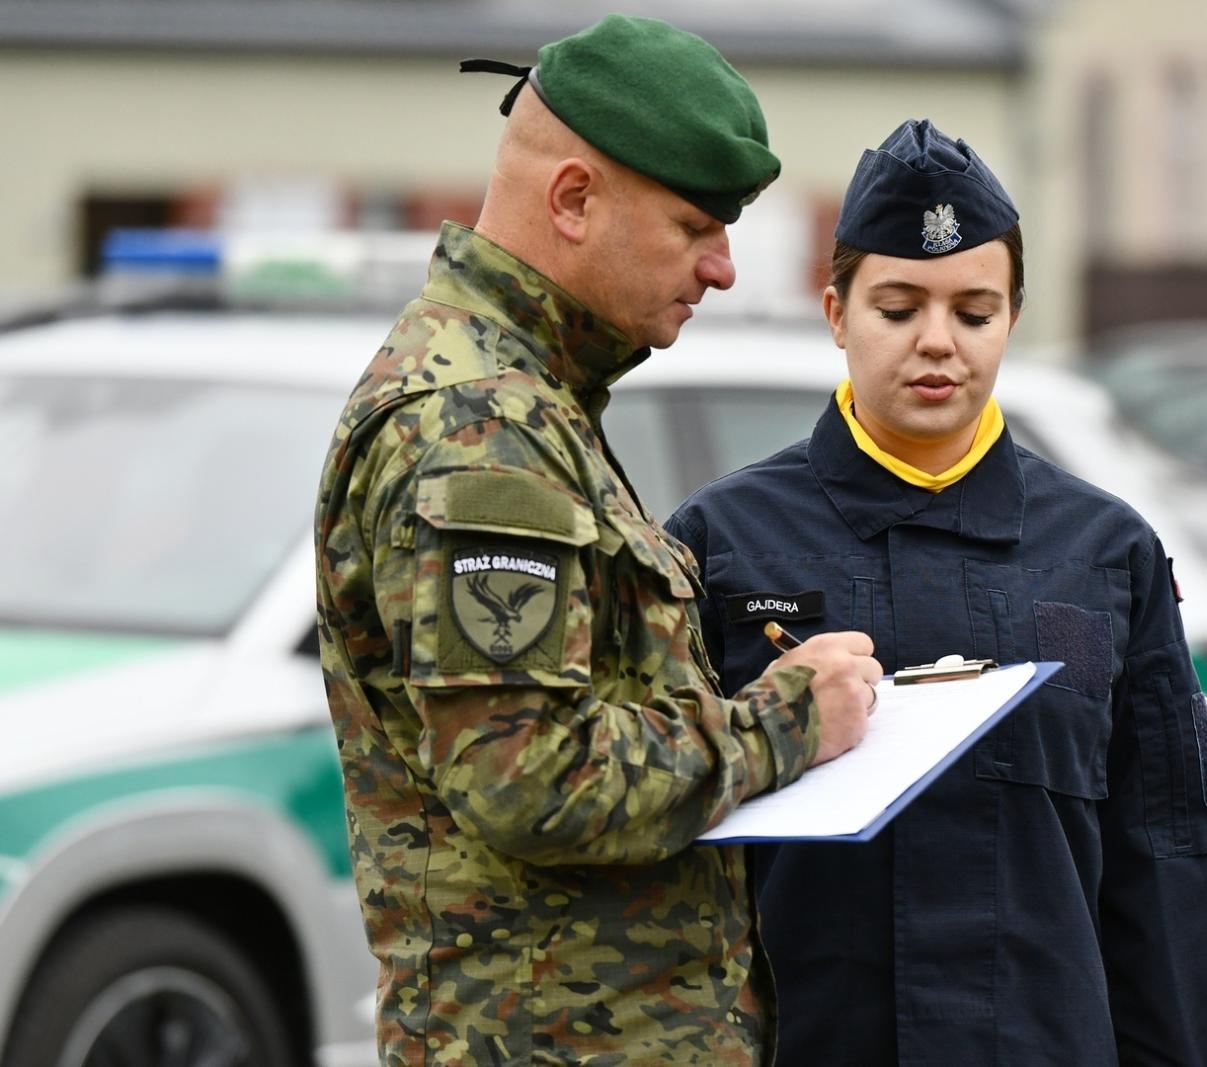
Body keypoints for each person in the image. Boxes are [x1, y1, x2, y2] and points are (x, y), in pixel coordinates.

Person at [314, 15, 881, 1065]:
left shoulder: (534, 398)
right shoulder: (475, 423)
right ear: (574, 199)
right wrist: (785, 722)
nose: (721, 268)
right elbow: (531, 774)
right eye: (693, 226)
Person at [666, 119, 1207, 1066]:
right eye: (898, 307)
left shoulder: (1105, 554)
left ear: (1013, 317)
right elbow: (656, 844)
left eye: (974, 313)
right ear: (835, 313)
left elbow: (1177, 867)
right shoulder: (720, 544)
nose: (937, 343)